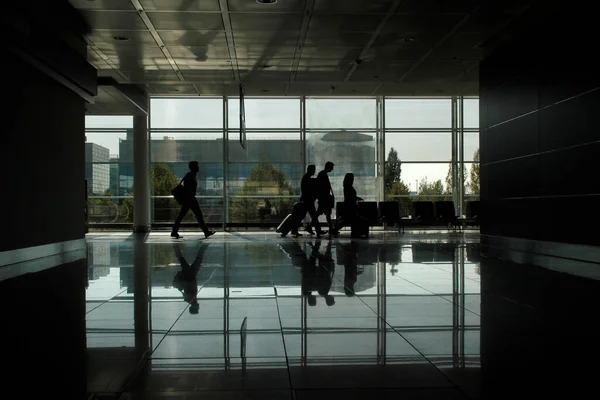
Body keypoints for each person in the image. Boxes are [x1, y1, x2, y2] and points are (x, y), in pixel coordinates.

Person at [171, 161, 216, 239]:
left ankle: (174, 231)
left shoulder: (190, 175)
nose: (198, 167)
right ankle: (206, 232)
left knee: (182, 216)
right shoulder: (191, 176)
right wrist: (191, 197)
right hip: (190, 199)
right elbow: (189, 189)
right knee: (198, 216)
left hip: (188, 199)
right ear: (194, 167)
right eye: (197, 166)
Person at [172, 242, 209, 314]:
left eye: (197, 308)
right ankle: (175, 246)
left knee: (197, 259)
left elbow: (188, 289)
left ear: (194, 307)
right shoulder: (189, 299)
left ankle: (204, 246)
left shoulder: (190, 299)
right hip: (191, 275)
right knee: (182, 259)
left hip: (190, 275)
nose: (199, 307)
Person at [300, 165, 327, 236]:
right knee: (312, 216)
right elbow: (309, 189)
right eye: (313, 170)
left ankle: (317, 230)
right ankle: (317, 230)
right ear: (310, 170)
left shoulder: (306, 177)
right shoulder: (307, 178)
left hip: (306, 200)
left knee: (310, 216)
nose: (314, 171)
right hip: (307, 200)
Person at [316, 161, 336, 233]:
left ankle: (331, 228)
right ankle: (331, 229)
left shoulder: (322, 174)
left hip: (323, 198)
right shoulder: (323, 174)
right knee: (325, 213)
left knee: (325, 213)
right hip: (324, 198)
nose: (332, 169)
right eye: (332, 167)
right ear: (328, 167)